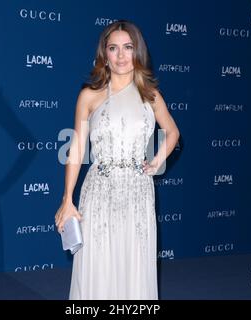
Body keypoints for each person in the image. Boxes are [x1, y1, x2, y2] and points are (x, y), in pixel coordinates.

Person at [55, 20, 180, 300]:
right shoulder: (89, 96)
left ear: (138, 53)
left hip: (138, 193)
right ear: (104, 54)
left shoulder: (151, 96)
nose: (122, 56)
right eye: (114, 48)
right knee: (97, 265)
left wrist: (158, 159)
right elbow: (77, 148)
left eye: (128, 47)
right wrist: (67, 199)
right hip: (99, 191)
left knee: (134, 266)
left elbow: (172, 132)